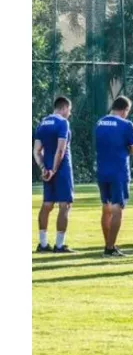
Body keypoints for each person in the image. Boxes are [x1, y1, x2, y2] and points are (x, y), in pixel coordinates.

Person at [95, 96, 133, 257]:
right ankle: (110, 248)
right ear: (124, 110)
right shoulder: (126, 125)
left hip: (102, 171)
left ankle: (108, 245)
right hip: (118, 171)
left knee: (106, 208)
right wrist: (129, 148)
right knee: (117, 209)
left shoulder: (99, 123)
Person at [33, 96, 75, 253]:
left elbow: (36, 151)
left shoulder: (42, 123)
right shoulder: (63, 122)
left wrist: (44, 168)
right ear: (64, 108)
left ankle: (43, 244)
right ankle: (59, 245)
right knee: (65, 205)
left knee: (47, 205)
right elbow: (61, 149)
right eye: (69, 110)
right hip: (61, 169)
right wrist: (54, 170)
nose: (69, 113)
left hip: (47, 170)